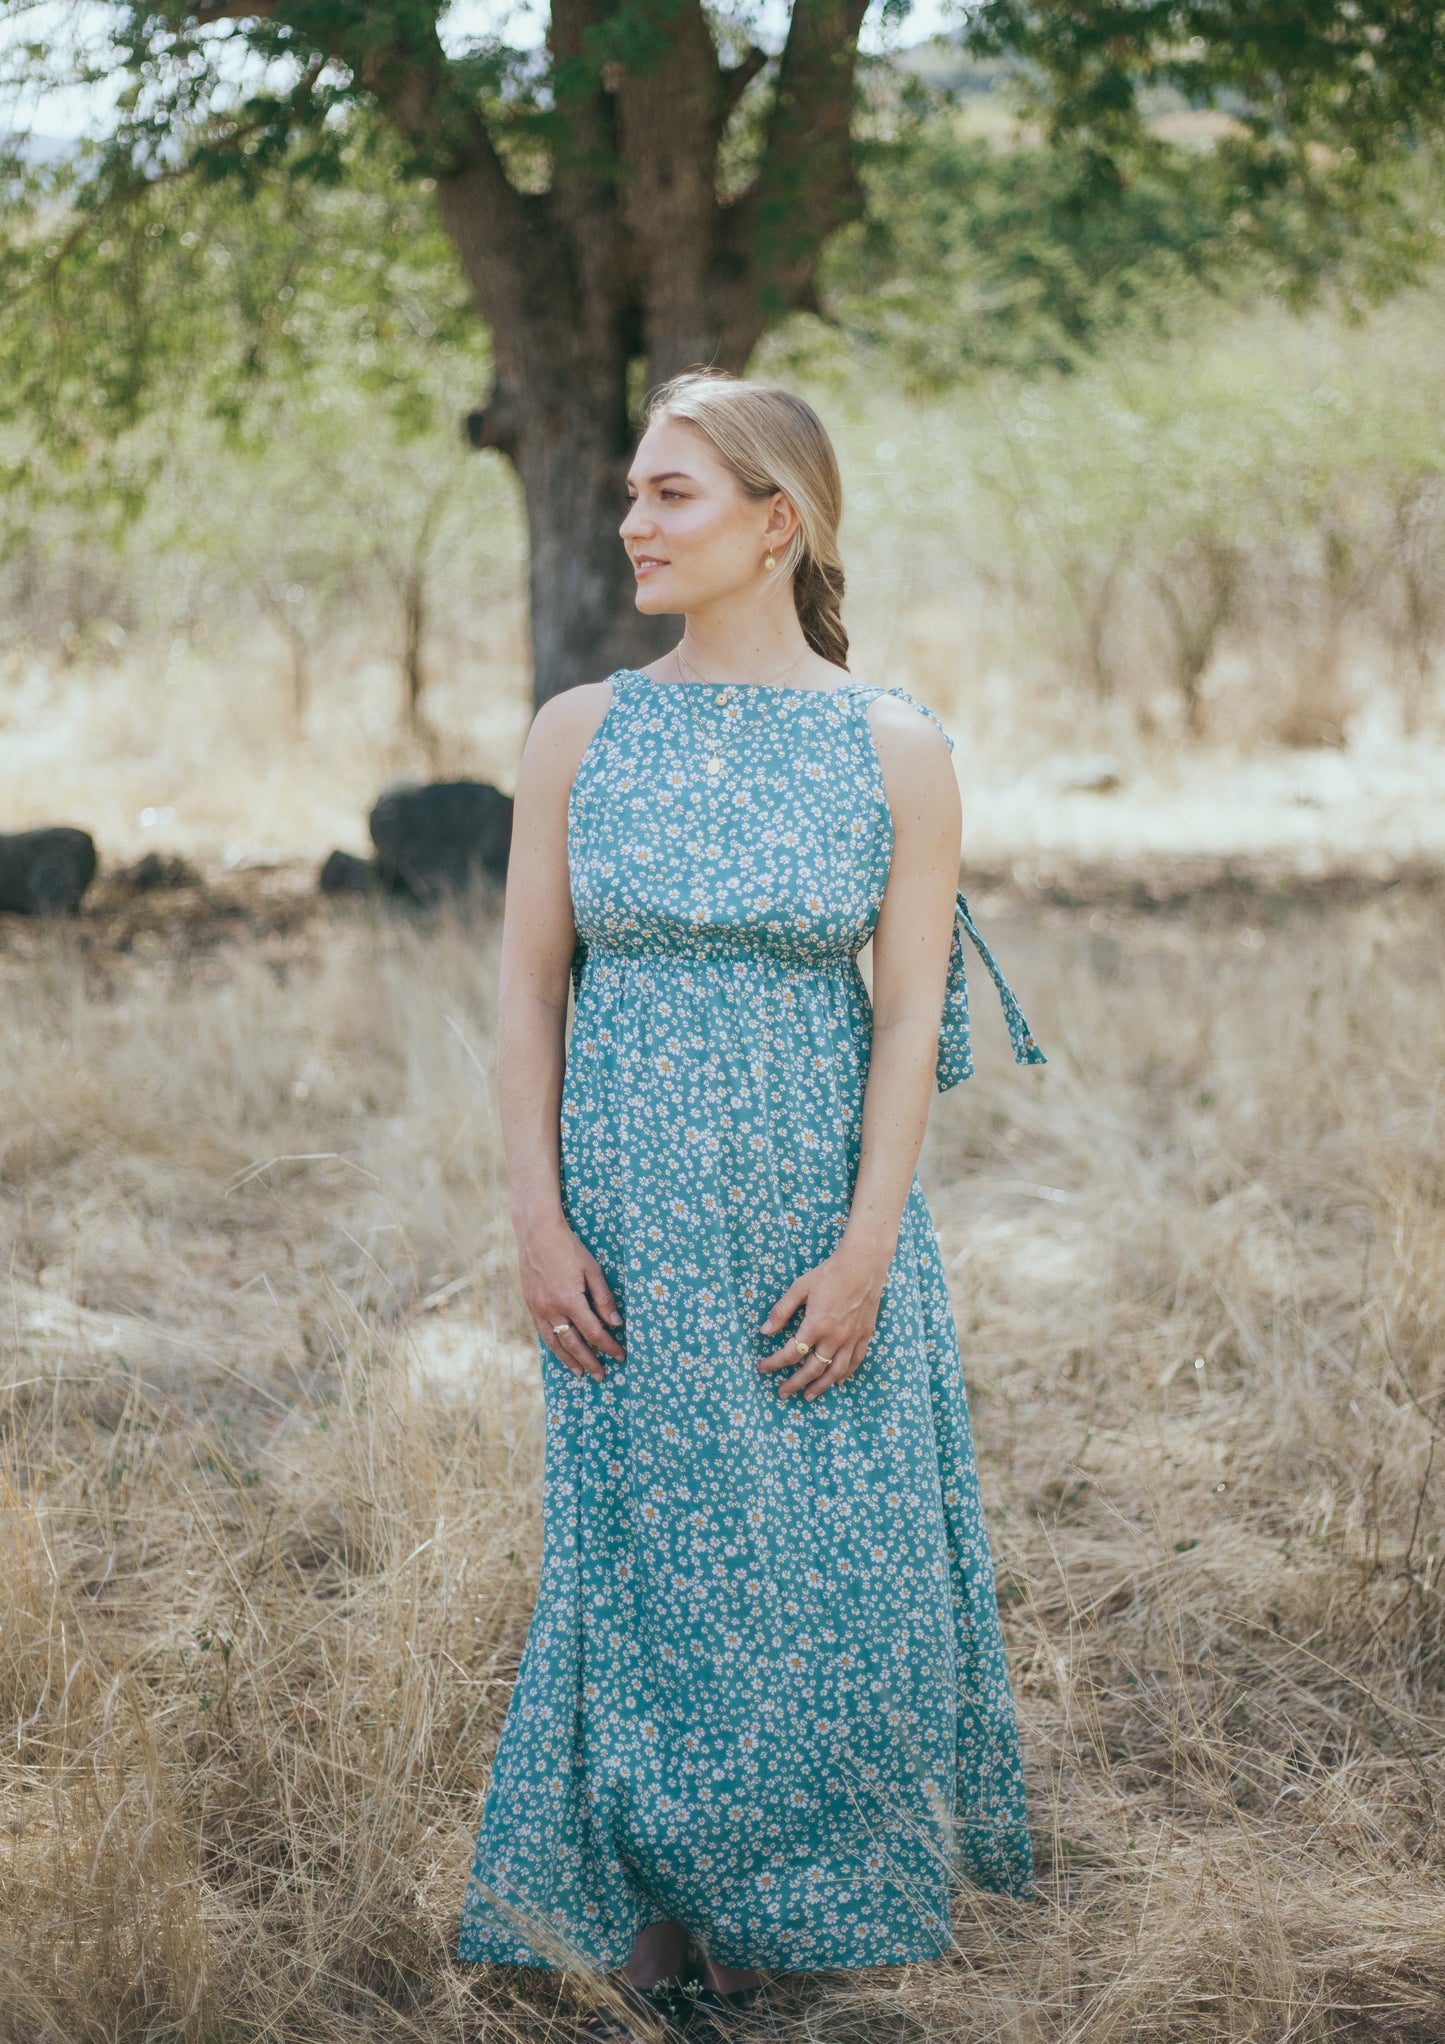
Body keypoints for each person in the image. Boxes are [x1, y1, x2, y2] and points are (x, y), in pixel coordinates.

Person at [457, 371, 1045, 2039]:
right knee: (640, 1557)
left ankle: (798, 1907)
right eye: (632, 493)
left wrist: (864, 1250)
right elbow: (525, 991)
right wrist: (537, 1224)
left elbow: (912, 1017)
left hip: (812, 1228)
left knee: (826, 1568)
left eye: (671, 496)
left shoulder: (894, 746)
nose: (630, 523)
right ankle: (649, 1905)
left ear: (776, 522)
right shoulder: (581, 730)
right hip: (624, 1228)